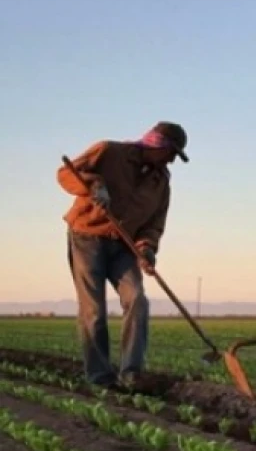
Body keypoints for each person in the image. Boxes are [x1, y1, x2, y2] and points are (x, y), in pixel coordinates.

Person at [56, 122, 188, 390]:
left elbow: (154, 223)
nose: (172, 160)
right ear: (156, 144)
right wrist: (94, 185)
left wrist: (147, 247)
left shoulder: (161, 183)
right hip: (87, 236)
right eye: (171, 152)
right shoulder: (109, 151)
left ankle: (131, 373)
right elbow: (65, 174)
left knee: (137, 299)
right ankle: (100, 377)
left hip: (124, 246)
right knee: (94, 310)